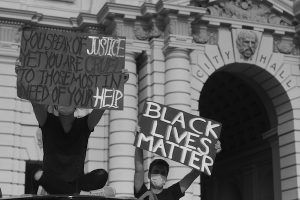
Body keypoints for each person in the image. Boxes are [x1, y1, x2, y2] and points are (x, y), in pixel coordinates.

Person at [31, 103, 108, 195]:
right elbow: (35, 104)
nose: (65, 101)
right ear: (55, 105)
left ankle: (73, 191)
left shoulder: (84, 124)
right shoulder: (47, 121)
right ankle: (79, 193)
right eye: (60, 98)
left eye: (69, 99)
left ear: (76, 104)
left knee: (102, 174)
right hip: (52, 183)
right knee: (38, 174)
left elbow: (101, 107)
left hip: (76, 183)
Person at [134, 128, 222, 200]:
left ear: (166, 177)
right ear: (149, 175)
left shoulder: (172, 193)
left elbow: (192, 175)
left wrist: (211, 153)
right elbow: (139, 168)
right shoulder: (142, 192)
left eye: (163, 173)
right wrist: (139, 139)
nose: (159, 174)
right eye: (156, 171)